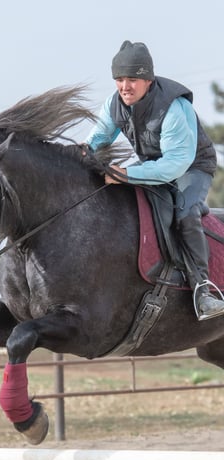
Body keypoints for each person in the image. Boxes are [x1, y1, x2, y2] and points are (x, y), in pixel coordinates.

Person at [85, 40, 224, 321]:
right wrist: (78, 154)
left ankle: (204, 290)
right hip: (154, 165)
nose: (125, 86)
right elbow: (97, 138)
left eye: (132, 80)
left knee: (185, 213)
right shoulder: (115, 104)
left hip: (191, 167)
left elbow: (174, 166)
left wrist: (125, 174)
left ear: (148, 80)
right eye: (119, 79)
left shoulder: (173, 108)